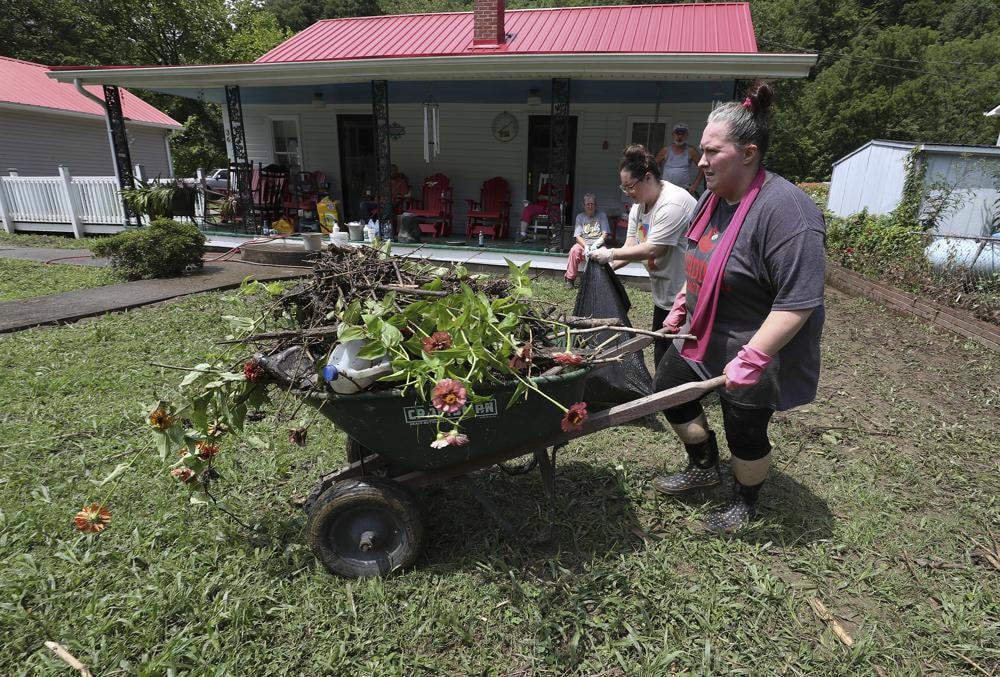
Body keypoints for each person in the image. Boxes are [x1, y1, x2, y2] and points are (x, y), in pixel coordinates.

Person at [652, 81, 826, 533]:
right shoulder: (712, 198)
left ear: (748, 154)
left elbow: (798, 301)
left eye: (713, 151)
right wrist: (682, 301)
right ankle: (703, 464)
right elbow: (701, 257)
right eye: (702, 149)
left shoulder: (788, 213)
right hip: (702, 331)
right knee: (668, 391)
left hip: (755, 341)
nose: (701, 160)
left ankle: (744, 502)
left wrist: (752, 358)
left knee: (744, 429)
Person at [589, 145, 697, 369]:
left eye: (630, 186)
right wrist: (603, 266)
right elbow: (630, 247)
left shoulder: (673, 203)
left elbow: (653, 249)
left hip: (687, 297)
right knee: (661, 354)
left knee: (676, 363)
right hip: (664, 294)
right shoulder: (639, 207)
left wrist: (609, 253)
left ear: (648, 177)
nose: (627, 192)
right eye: (623, 187)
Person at [564, 193, 611, 287]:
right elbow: (578, 236)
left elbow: (605, 234)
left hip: (598, 245)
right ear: (584, 205)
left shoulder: (601, 215)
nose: (590, 206)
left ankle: (602, 281)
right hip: (584, 245)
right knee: (574, 250)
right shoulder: (580, 217)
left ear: (596, 205)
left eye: (592, 204)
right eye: (588, 204)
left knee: (605, 254)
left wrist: (596, 244)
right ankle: (570, 279)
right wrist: (585, 246)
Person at [655, 122, 704, 196]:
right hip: (666, 189)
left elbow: (702, 167)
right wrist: (656, 182)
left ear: (686, 135)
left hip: (683, 189)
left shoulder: (691, 151)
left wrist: (695, 185)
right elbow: (653, 165)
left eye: (682, 134)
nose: (679, 137)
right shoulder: (665, 150)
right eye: (677, 133)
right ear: (673, 135)